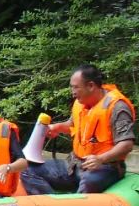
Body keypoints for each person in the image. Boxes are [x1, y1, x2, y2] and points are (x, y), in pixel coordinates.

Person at [21, 65, 135, 195]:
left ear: (91, 86)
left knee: (88, 181)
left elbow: (126, 144)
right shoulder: (80, 103)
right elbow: (73, 124)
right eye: (71, 87)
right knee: (26, 169)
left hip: (106, 167)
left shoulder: (117, 107)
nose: (72, 91)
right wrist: (57, 127)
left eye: (76, 87)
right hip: (74, 165)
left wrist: (101, 159)